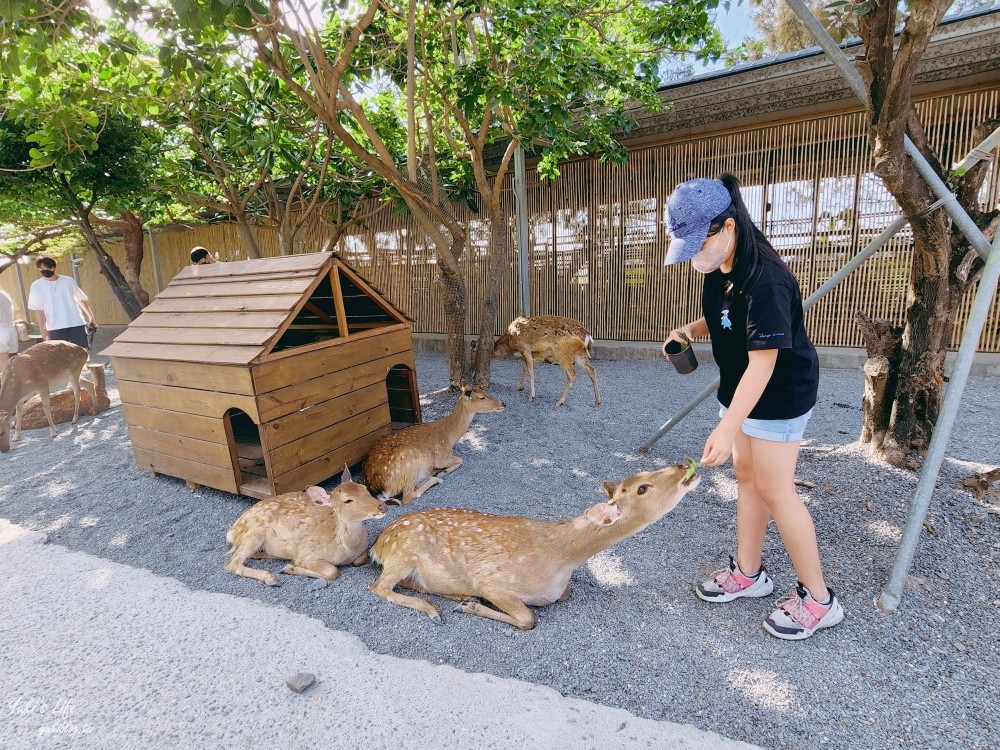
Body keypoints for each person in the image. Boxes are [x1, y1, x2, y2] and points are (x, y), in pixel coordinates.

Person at [663, 173, 843, 641]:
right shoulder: (722, 266)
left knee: (777, 490)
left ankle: (820, 600)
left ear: (727, 228)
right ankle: (749, 573)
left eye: (697, 245)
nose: (694, 258)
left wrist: (726, 429)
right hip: (739, 392)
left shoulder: (766, 280)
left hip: (780, 394)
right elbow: (722, 315)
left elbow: (763, 367)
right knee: (747, 479)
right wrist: (691, 331)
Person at [27, 257, 97, 350]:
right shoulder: (36, 286)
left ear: (54, 268)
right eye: (41, 268)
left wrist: (91, 317)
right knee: (61, 354)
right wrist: (43, 329)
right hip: (55, 326)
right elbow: (39, 309)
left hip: (76, 322)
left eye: (47, 268)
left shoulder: (68, 281)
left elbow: (80, 299)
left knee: (82, 352)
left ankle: (84, 366)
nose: (44, 271)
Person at [0, 289, 19, 369]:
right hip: (11, 329)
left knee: (5, 369)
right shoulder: (4, 293)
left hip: (1, 331)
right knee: (13, 364)